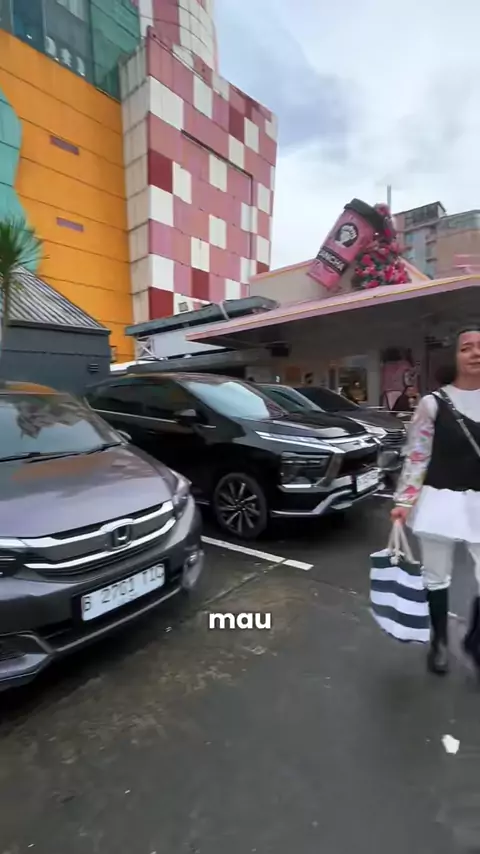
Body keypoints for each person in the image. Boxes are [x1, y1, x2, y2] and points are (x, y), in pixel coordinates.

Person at [391, 325, 480, 675]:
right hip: (440, 500)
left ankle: (476, 642)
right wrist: (404, 501)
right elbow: (417, 456)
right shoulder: (433, 403)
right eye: (466, 347)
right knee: (436, 577)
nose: (475, 352)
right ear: (455, 356)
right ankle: (439, 642)